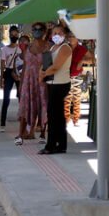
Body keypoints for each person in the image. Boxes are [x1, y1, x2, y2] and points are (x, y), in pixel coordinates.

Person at [38, 23, 73, 155]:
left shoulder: (65, 48)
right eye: (54, 33)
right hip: (52, 83)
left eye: (59, 33)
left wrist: (43, 74)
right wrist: (41, 72)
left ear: (64, 34)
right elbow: (46, 64)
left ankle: (51, 145)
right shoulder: (53, 47)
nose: (56, 35)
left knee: (54, 115)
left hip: (60, 84)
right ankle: (60, 144)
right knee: (56, 115)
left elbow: (56, 66)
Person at [16, 22, 50, 145]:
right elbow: (25, 66)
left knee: (43, 106)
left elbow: (48, 66)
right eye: (34, 29)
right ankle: (20, 134)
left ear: (44, 31)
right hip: (28, 81)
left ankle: (42, 133)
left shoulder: (48, 47)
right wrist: (21, 84)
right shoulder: (28, 47)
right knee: (25, 106)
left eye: (40, 29)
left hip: (42, 81)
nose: (37, 31)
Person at [64, 34, 94, 126]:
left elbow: (93, 60)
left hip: (77, 76)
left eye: (72, 36)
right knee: (66, 99)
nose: (70, 38)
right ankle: (66, 119)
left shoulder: (82, 49)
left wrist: (82, 61)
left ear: (77, 38)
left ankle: (76, 119)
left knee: (76, 99)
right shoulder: (65, 48)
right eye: (69, 37)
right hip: (65, 76)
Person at [0, 26, 22, 132]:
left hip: (19, 73)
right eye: (12, 34)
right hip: (8, 73)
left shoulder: (21, 49)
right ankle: (2, 124)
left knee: (22, 98)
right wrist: (1, 79)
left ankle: (24, 122)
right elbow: (3, 65)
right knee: (6, 99)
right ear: (9, 35)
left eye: (15, 34)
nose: (14, 36)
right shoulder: (4, 49)